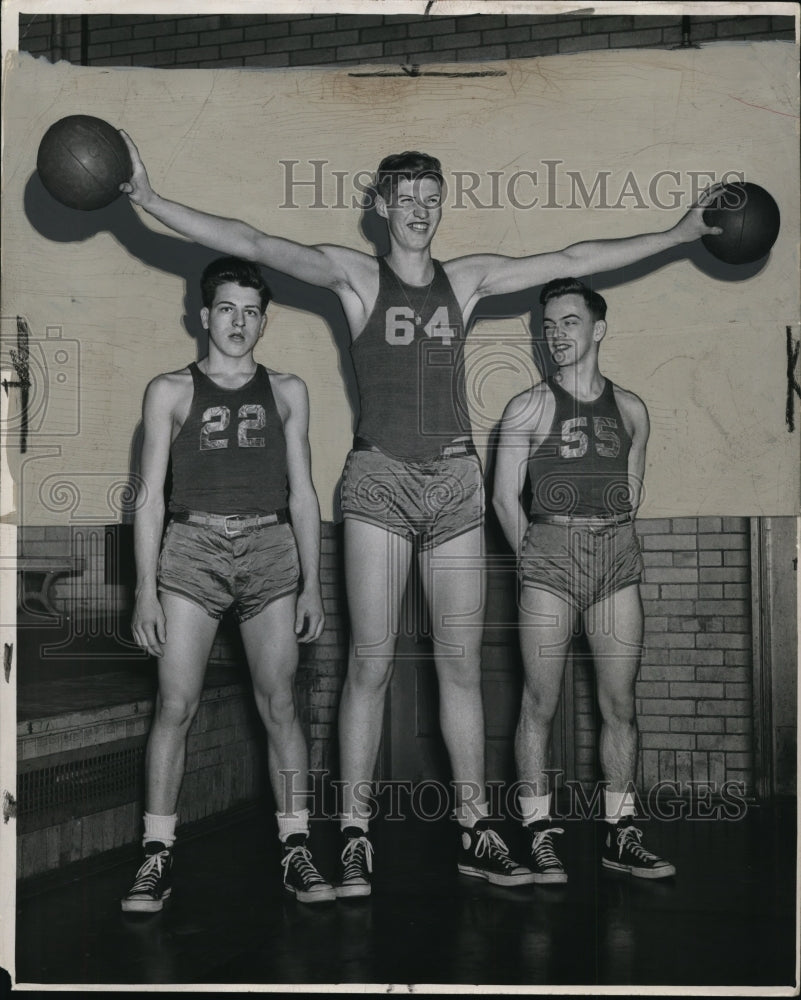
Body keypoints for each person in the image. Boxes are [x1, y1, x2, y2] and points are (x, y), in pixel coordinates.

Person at [119, 137, 717, 896]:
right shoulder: (356, 275)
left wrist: (676, 233)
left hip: (457, 481)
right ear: (381, 207)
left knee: (457, 666)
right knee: (369, 663)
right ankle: (356, 836)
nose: (420, 211)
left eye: (431, 199)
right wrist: (149, 200)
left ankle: (475, 830)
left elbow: (576, 253)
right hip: (379, 480)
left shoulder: (467, 280)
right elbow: (252, 240)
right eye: (406, 199)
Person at [122, 256, 334, 912]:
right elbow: (149, 498)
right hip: (192, 545)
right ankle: (155, 857)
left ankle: (296, 850)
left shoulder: (288, 390)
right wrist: (144, 589)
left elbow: (303, 494)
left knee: (279, 707)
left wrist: (312, 584)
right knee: (175, 704)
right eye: (226, 309)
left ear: (263, 322)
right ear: (203, 314)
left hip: (271, 547)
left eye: (250, 312)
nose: (237, 322)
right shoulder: (169, 391)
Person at [493, 277, 675, 883]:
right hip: (549, 549)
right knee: (539, 702)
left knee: (619, 703)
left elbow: (633, 489)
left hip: (615, 554)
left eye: (568, 322)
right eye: (548, 326)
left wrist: (606, 535)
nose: (556, 335)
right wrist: (539, 556)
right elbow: (501, 498)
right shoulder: (526, 406)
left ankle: (621, 831)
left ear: (598, 329)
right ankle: (538, 832)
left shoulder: (631, 409)